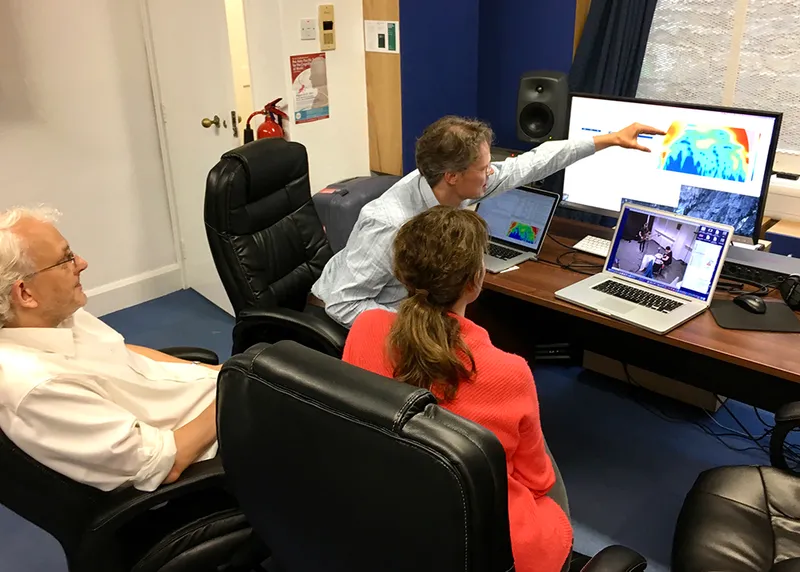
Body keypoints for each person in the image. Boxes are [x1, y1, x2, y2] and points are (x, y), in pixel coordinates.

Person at [343, 206, 571, 572]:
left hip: (387, 513)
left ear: (403, 273)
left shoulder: (366, 327)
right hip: (488, 542)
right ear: (475, 282)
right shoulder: (509, 373)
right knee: (548, 485)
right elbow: (537, 481)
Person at [312, 115, 665, 327]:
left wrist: (609, 140)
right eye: (483, 169)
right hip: (356, 317)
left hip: (413, 307)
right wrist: (420, 330)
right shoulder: (390, 224)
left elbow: (533, 163)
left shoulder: (459, 185)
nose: (491, 174)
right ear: (452, 175)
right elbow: (344, 303)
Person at [0, 206, 218, 492]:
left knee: (284, 362)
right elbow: (166, 462)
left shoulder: (55, 315)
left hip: (209, 401)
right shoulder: (37, 388)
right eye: (65, 259)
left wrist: (214, 372)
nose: (81, 262)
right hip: (205, 449)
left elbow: (123, 352)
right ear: (25, 293)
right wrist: (234, 393)